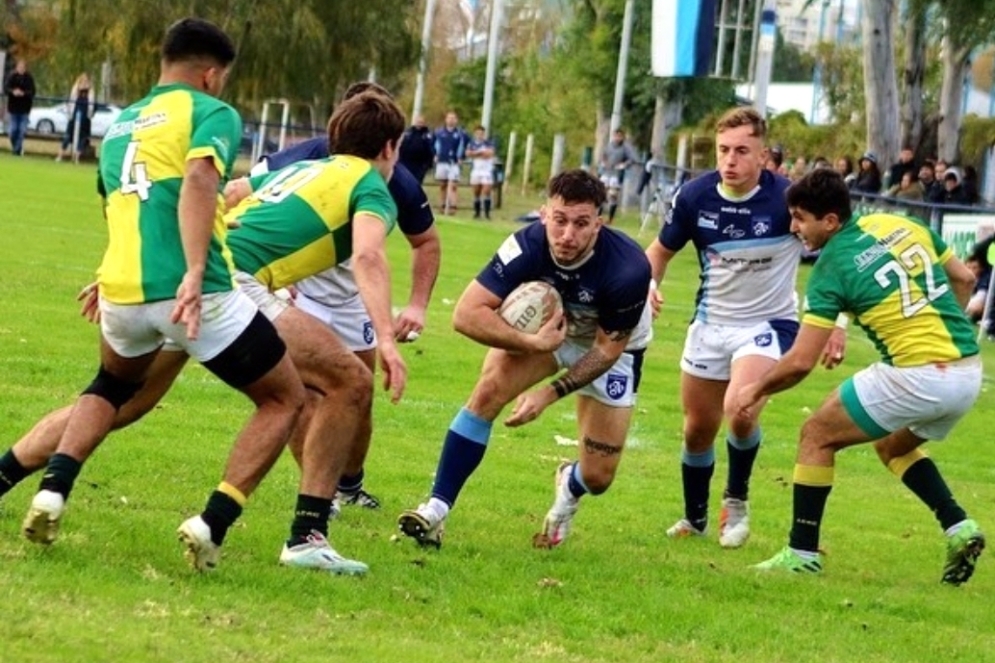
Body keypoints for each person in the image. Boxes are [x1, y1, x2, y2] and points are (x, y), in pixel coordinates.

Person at [6, 88, 409, 575]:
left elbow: (228, 194)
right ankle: (306, 536)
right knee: (349, 381)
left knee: (122, 399)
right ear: (389, 147)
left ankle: (6, 474)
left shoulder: (302, 169)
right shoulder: (370, 185)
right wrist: (385, 337)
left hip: (189, 280)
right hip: (233, 287)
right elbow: (368, 255)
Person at [17, 18, 308, 573]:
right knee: (283, 399)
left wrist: (106, 277)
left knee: (110, 386)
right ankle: (211, 524)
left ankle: (53, 490)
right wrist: (195, 272)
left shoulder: (122, 123)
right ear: (211, 74)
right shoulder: (210, 111)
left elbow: (118, 206)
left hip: (122, 291)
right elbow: (201, 181)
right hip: (198, 295)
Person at [735, 168, 984, 584]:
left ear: (830, 221)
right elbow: (964, 278)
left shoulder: (830, 267)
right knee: (893, 446)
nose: (793, 226)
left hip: (916, 376)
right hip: (967, 374)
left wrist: (754, 389)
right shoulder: (901, 222)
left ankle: (801, 552)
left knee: (816, 434)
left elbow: (800, 362)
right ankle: (959, 526)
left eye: (799, 217)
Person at [398, 169, 652, 550]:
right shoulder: (525, 246)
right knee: (487, 393)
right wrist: (530, 343)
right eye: (560, 220)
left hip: (608, 348)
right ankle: (436, 509)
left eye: (581, 224)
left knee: (599, 477)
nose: (567, 235)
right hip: (544, 336)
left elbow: (607, 350)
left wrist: (546, 395)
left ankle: (570, 482)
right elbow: (465, 314)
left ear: (599, 224)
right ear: (544, 214)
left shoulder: (628, 268)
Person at [644, 106, 846, 549]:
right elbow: (659, 252)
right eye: (722, 150)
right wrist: (647, 287)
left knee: (741, 408)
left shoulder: (788, 198)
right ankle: (694, 518)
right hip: (711, 324)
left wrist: (836, 321)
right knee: (697, 427)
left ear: (764, 156)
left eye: (741, 151)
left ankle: (736, 501)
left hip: (769, 324)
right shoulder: (695, 197)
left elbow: (836, 254)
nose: (729, 160)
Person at [249, 82, 441, 513]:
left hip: (357, 299)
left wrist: (416, 305)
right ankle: (316, 491)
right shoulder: (307, 157)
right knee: (303, 395)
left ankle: (348, 485)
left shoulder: (397, 183)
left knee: (358, 396)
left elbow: (425, 242)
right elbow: (245, 192)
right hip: (303, 292)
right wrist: (276, 273)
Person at [599, 128, 636, 224]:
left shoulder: (625, 148)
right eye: (616, 136)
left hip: (616, 175)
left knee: (613, 195)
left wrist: (623, 165)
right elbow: (603, 156)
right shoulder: (609, 146)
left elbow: (632, 160)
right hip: (606, 173)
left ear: (623, 137)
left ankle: (610, 219)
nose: (617, 138)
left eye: (620, 136)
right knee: (601, 194)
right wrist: (604, 162)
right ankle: (598, 216)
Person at [434, 110, 468, 213]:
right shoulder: (439, 132)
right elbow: (434, 145)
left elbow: (466, 146)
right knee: (442, 184)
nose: (451, 120)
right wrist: (435, 155)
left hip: (454, 162)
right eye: (449, 118)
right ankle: (443, 204)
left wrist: (461, 157)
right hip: (442, 161)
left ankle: (453, 206)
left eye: (453, 118)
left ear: (456, 120)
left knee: (453, 185)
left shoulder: (461, 134)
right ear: (446, 119)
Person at [56, 72, 95, 161]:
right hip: (74, 117)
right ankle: (60, 155)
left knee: (82, 138)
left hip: (85, 118)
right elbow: (71, 102)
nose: (84, 83)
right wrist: (70, 114)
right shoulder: (75, 90)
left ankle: (76, 157)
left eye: (86, 81)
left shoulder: (91, 92)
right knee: (67, 136)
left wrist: (90, 115)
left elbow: (91, 106)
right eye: (82, 80)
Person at [4, 59, 35, 156]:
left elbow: (32, 91)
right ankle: (17, 148)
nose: (21, 69)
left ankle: (16, 151)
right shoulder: (12, 76)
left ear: (25, 68)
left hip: (25, 109)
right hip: (13, 108)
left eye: (23, 67)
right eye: (19, 67)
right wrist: (13, 92)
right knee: (12, 131)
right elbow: (6, 89)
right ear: (17, 67)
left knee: (22, 131)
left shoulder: (29, 78)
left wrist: (23, 93)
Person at [466, 125, 496, 220]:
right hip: (476, 170)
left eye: (481, 133)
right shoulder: (471, 143)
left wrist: (475, 153)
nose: (479, 135)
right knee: (476, 192)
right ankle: (477, 213)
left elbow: (489, 154)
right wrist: (479, 153)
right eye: (478, 133)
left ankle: (487, 214)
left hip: (486, 170)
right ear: (475, 134)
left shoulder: (488, 143)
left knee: (487, 190)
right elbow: (468, 153)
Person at [398, 114, 435, 183]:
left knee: (417, 182)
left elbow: (431, 149)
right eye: (418, 121)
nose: (419, 123)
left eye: (421, 122)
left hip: (421, 165)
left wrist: (428, 164)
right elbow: (401, 147)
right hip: (406, 163)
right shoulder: (408, 133)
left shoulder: (428, 135)